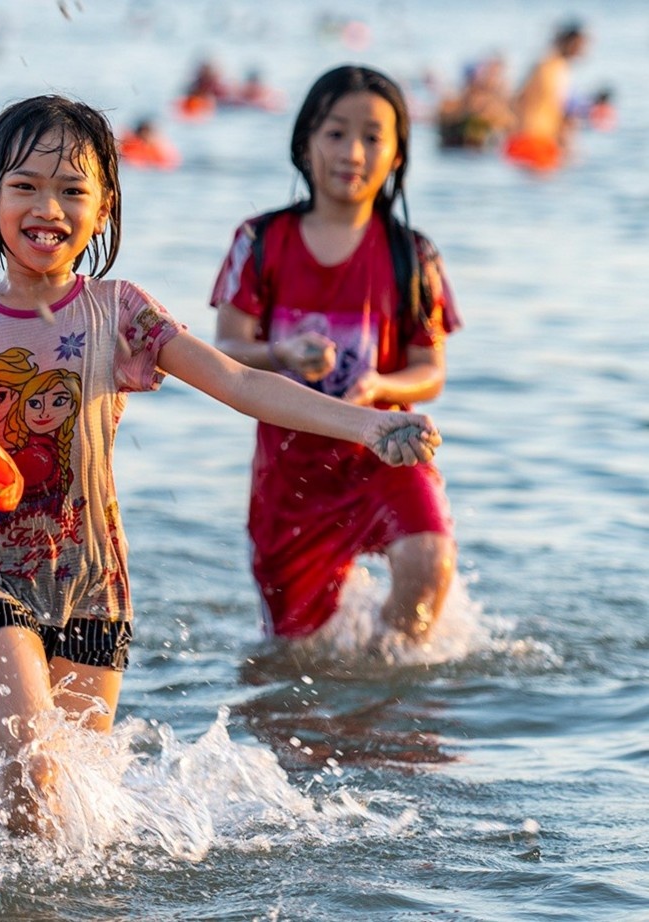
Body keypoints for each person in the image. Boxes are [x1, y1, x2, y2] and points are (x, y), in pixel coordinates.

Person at [0, 94, 440, 836]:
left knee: (67, 816)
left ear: (103, 210)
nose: (48, 207)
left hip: (96, 586)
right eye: (26, 186)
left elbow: (238, 382)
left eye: (73, 190)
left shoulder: (120, 312)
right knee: (31, 768)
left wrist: (367, 424)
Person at [210, 65, 461, 647]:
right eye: (335, 132)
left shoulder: (413, 256)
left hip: (384, 451)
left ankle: (385, 686)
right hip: (290, 472)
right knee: (293, 650)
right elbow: (225, 348)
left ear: (397, 154)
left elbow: (431, 370)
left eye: (373, 137)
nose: (353, 151)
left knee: (430, 562)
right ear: (305, 142)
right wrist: (281, 351)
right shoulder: (260, 241)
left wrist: (378, 386)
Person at [506, 20, 588, 170]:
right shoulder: (556, 68)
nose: (583, 50)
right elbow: (561, 109)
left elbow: (518, 99)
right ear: (571, 43)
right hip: (538, 142)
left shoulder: (543, 64)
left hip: (521, 138)